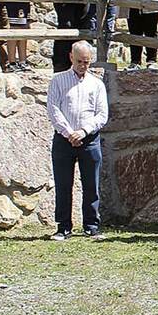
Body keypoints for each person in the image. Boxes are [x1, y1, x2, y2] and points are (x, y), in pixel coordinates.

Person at [47, 41, 109, 240]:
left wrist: (83, 131)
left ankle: (91, 225)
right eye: (80, 61)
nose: (84, 65)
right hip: (64, 139)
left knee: (91, 184)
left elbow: (102, 114)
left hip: (89, 139)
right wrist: (68, 132)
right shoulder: (58, 80)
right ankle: (63, 226)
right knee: (63, 184)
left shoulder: (96, 84)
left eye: (87, 62)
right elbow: (53, 109)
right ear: (71, 58)